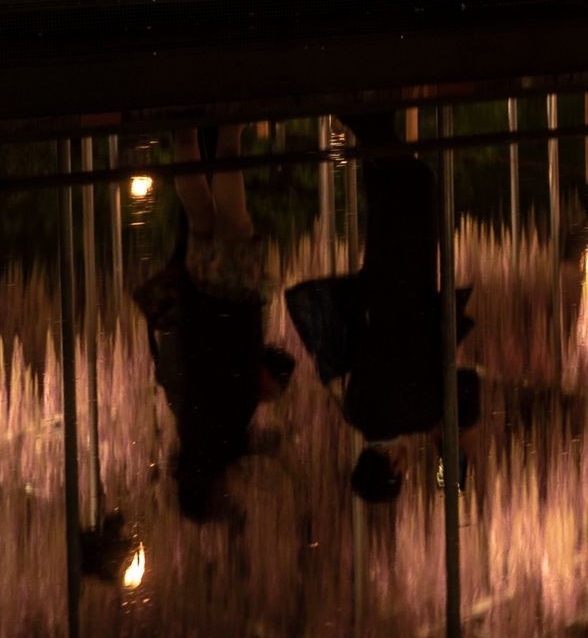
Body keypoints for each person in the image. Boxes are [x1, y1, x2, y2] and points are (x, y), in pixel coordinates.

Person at [284, 109, 479, 504]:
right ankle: (371, 114)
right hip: (376, 284)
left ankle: (362, 113)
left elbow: (466, 382)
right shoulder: (355, 411)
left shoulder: (420, 414)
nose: (407, 468)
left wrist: (452, 439)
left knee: (418, 183)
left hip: (413, 283)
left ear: (393, 467)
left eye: (402, 474)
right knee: (387, 190)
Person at [131, 124, 295, 522]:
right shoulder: (187, 428)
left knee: (233, 218)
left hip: (232, 300)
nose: (228, 495)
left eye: (220, 499)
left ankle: (229, 131)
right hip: (199, 295)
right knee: (200, 215)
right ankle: (184, 136)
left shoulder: (225, 439)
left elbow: (239, 365)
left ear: (208, 488)